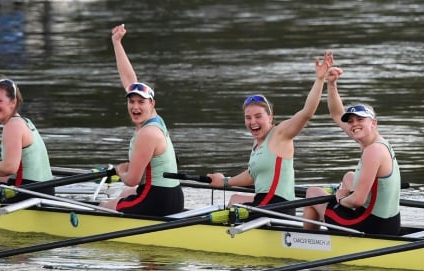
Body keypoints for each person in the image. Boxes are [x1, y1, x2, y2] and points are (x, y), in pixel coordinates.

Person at [205, 52, 333, 215]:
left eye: (258, 116)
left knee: (232, 208)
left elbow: (307, 112)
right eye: (248, 117)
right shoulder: (257, 143)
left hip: (277, 207)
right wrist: (225, 181)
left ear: (270, 117)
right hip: (264, 204)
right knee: (235, 199)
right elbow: (252, 175)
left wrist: (320, 79)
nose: (253, 122)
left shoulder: (281, 134)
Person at [303, 66, 401, 235]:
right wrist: (331, 84)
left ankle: (307, 242)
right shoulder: (375, 140)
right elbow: (336, 114)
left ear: (373, 123)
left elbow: (357, 201)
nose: (354, 124)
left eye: (360, 119)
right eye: (351, 121)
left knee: (312, 193)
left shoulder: (373, 151)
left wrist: (340, 197)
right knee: (349, 176)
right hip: (390, 223)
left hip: (370, 226)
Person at [99, 24, 184, 216]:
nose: (135, 107)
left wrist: (120, 170)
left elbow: (132, 180)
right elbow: (129, 80)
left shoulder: (147, 133)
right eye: (131, 102)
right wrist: (117, 42)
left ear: (152, 103)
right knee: (125, 193)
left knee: (104, 206)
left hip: (156, 201)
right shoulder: (155, 118)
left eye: (141, 102)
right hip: (173, 196)